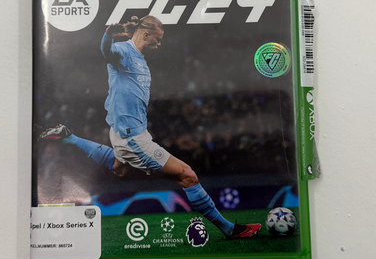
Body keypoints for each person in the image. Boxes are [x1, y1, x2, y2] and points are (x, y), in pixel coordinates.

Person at [40, 16, 261, 239]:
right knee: (187, 175)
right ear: (146, 35)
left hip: (126, 133)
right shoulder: (124, 51)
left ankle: (69, 137)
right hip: (133, 138)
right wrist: (107, 35)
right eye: (158, 38)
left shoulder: (141, 61)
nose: (160, 43)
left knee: (120, 169)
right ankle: (229, 230)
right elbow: (107, 52)